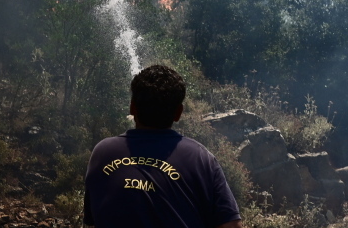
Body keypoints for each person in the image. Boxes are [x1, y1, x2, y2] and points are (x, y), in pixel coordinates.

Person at [84, 64, 242, 227]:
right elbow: (231, 225)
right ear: (178, 113)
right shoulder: (200, 158)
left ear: (132, 107)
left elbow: (93, 220)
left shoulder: (103, 153)